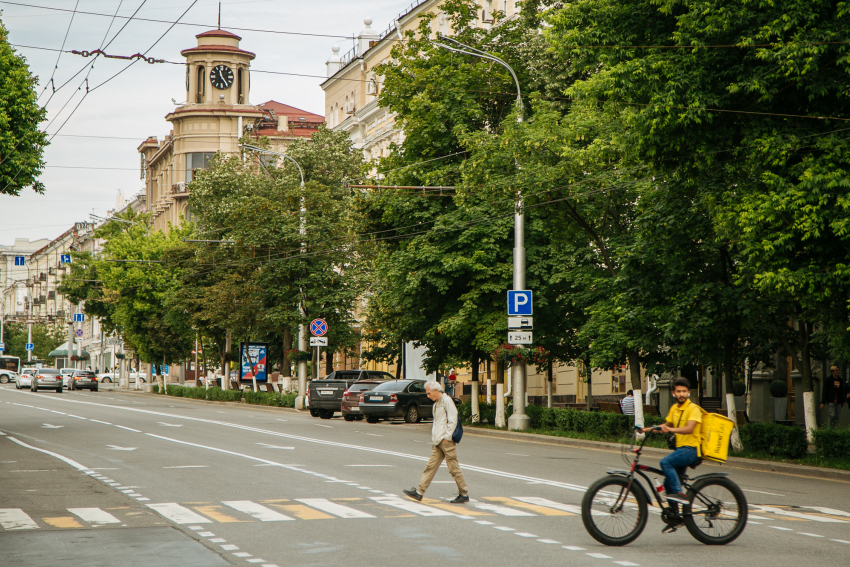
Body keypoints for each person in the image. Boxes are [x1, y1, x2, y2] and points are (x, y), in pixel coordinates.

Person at [641, 377, 702, 532]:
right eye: (678, 391)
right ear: (673, 393)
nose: (681, 394)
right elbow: (665, 426)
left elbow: (689, 428)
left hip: (692, 449)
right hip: (680, 450)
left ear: (688, 393)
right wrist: (645, 430)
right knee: (668, 484)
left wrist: (672, 430)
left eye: (684, 391)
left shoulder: (693, 408)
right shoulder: (674, 409)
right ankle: (675, 516)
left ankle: (680, 494)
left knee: (665, 463)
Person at [403, 380, 469, 504]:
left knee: (453, 468)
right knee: (430, 467)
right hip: (438, 442)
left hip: (446, 442)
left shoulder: (446, 401)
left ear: (436, 390)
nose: (428, 396)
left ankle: (464, 493)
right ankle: (419, 492)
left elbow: (453, 420)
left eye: (429, 393)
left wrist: (447, 437)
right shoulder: (437, 403)